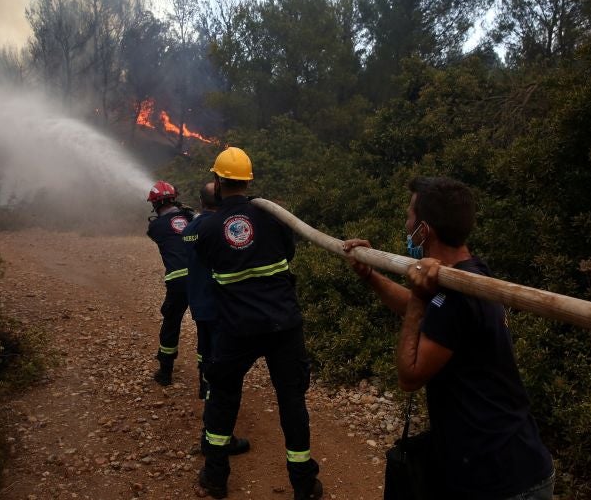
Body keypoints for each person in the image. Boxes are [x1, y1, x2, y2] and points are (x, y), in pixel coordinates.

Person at [343, 176, 555, 500]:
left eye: (409, 216)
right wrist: (370, 275)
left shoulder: (461, 293)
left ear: (424, 230)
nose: (406, 223)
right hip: (496, 464)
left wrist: (418, 296)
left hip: (503, 478)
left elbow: (409, 375)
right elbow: (430, 315)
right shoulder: (467, 271)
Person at [194, 147, 323, 500]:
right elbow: (287, 254)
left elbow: (208, 265)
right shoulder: (273, 217)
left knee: (222, 397)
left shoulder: (206, 229)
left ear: (218, 182)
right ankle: (303, 483)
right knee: (292, 402)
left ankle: (216, 476)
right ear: (248, 181)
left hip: (237, 329)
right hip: (284, 326)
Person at [181, 182, 250, 456]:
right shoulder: (222, 228)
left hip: (201, 306)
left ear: (201, 202)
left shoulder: (191, 229)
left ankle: (204, 386)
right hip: (222, 309)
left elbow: (191, 240)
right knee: (223, 374)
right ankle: (214, 435)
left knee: (207, 358)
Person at [146, 180, 193, 386]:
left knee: (172, 322)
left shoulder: (155, 226)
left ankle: (165, 372)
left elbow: (167, 231)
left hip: (177, 281)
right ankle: (207, 378)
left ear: (155, 204)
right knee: (207, 323)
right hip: (200, 277)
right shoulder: (191, 218)